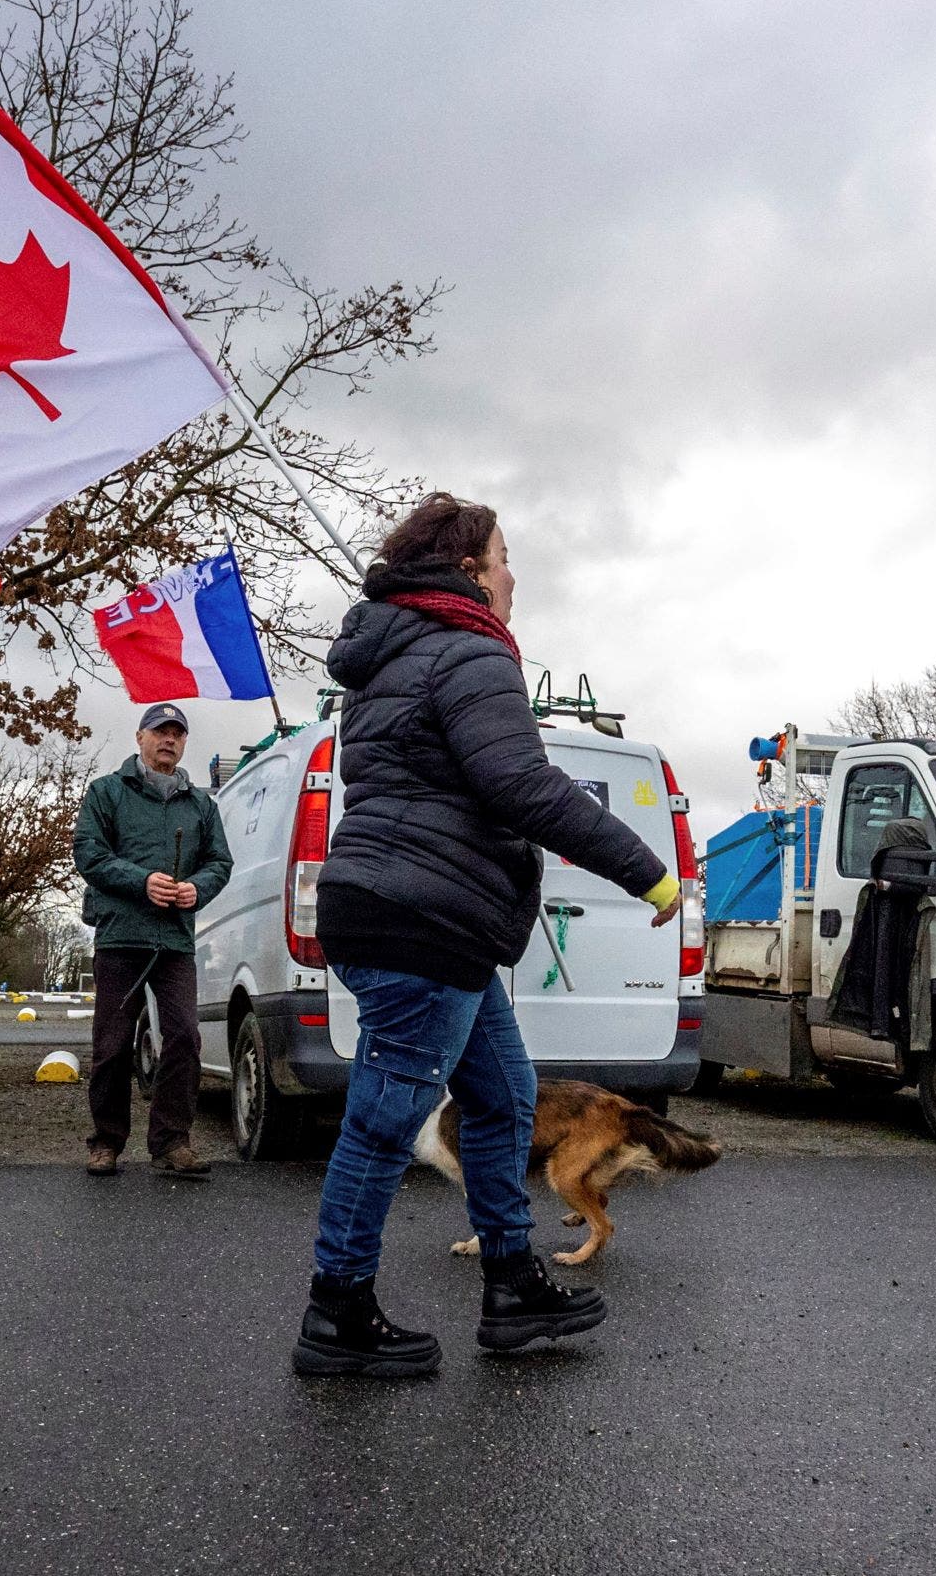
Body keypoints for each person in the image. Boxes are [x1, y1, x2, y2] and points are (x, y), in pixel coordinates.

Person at [291, 494, 681, 1378]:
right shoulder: (467, 651)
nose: (515, 574)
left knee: (504, 1097)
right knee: (386, 1119)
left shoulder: (397, 658)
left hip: (430, 920)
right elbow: (524, 786)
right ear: (468, 572)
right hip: (419, 922)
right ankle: (337, 1311)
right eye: (504, 555)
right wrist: (647, 871)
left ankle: (512, 1283)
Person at [73, 702, 234, 1179]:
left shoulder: (202, 804)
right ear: (139, 738)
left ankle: (171, 1142)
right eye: (159, 731)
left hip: (175, 941)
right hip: (121, 936)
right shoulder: (106, 792)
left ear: (184, 743)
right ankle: (106, 1141)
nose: (169, 739)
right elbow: (90, 854)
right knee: (113, 1045)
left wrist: (196, 889)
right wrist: (141, 880)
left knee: (184, 1036)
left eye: (177, 734)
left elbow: (219, 863)